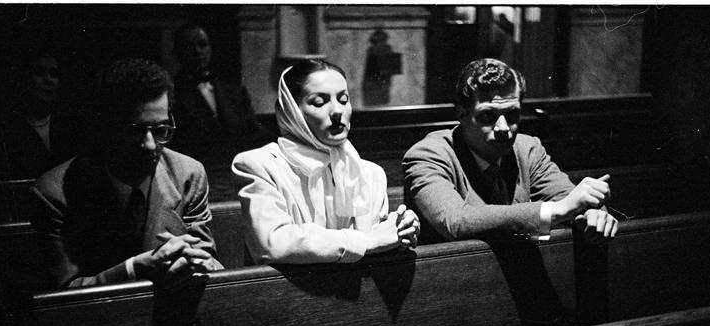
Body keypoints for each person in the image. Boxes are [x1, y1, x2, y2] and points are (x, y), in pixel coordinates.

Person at [30, 58, 223, 289]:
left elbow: (208, 261)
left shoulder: (188, 175)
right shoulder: (53, 194)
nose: (150, 145)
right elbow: (65, 293)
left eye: (160, 130)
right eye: (135, 131)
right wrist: (132, 269)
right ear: (105, 128)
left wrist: (198, 263)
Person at [403, 58, 617, 244]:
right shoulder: (427, 155)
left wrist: (591, 213)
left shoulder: (528, 148)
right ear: (462, 115)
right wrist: (558, 210)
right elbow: (455, 221)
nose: (503, 128)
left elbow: (567, 197)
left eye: (512, 114)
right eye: (488, 115)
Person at [232, 59, 419, 264]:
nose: (337, 111)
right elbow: (273, 243)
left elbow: (379, 242)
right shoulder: (260, 165)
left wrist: (400, 230)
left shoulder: (370, 173)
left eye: (343, 99)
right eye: (319, 102)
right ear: (291, 110)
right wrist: (365, 242)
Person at [0, 46, 77, 222]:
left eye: (54, 74)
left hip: (67, 217)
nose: (48, 80)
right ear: (24, 78)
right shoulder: (3, 126)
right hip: (22, 217)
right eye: (39, 73)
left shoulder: (71, 123)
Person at [171, 24, 272, 178]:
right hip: (196, 173)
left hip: (236, 171)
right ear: (178, 53)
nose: (198, 51)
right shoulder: (173, 95)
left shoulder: (235, 92)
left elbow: (254, 131)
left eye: (202, 44)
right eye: (189, 46)